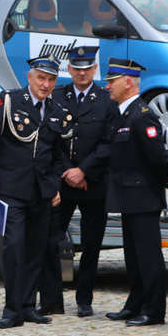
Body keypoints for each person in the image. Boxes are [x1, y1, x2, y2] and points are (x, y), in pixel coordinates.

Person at [0, 56, 67, 329]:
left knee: (35, 251)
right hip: (11, 190)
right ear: (30, 77)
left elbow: (57, 156)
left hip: (40, 193)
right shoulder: (8, 101)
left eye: (51, 79)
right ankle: (12, 310)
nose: (46, 84)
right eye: (41, 78)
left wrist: (54, 187)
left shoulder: (56, 110)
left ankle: (29, 306)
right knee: (14, 249)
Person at [102, 58, 168, 327]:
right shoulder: (123, 113)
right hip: (128, 197)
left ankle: (154, 311)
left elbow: (159, 156)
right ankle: (135, 304)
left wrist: (164, 180)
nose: (107, 87)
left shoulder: (142, 114)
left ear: (127, 82)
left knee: (148, 257)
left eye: (111, 82)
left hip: (143, 197)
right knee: (133, 257)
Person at [55, 46, 119, 318]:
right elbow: (50, 141)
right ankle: (50, 298)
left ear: (95, 69)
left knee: (91, 246)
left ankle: (85, 299)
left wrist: (84, 171)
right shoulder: (57, 97)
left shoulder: (107, 100)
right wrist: (70, 171)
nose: (82, 73)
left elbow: (109, 144)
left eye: (87, 68)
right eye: (76, 68)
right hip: (63, 184)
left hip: (94, 184)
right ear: (68, 69)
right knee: (48, 240)